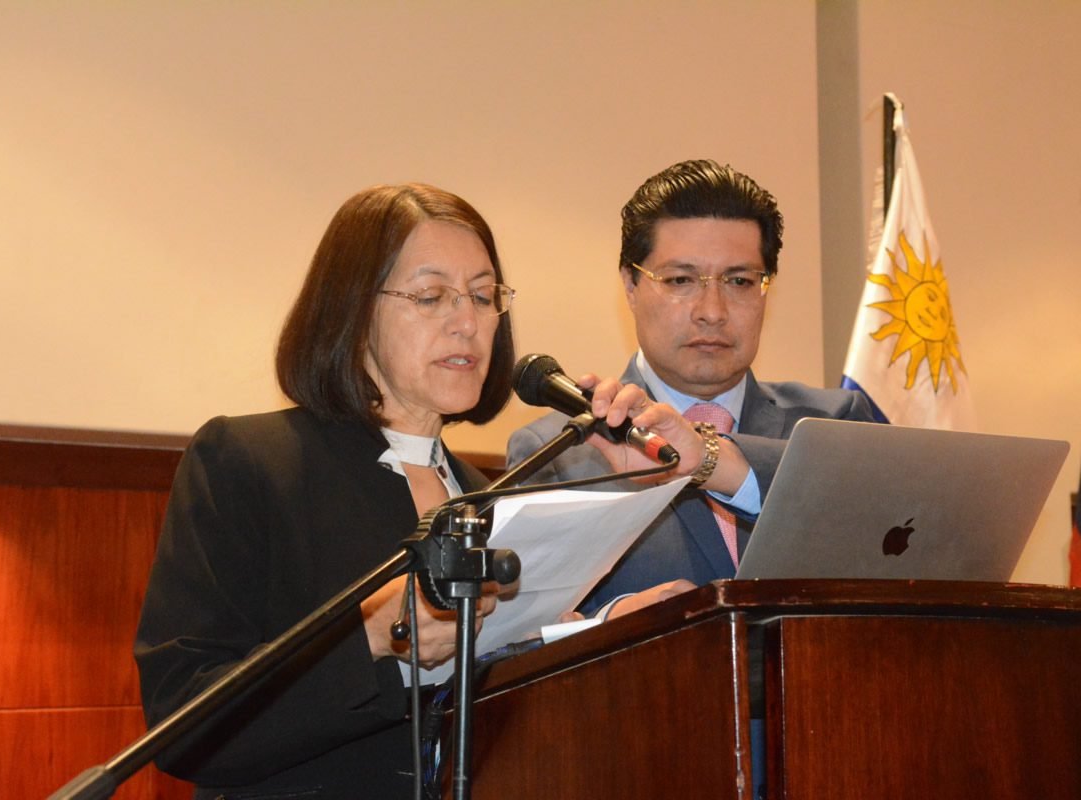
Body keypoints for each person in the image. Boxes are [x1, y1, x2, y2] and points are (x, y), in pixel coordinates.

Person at [133, 182, 707, 798]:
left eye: (483, 296)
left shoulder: (489, 497)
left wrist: (607, 631)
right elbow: (184, 723)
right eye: (431, 296)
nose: (468, 323)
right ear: (353, 312)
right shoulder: (251, 463)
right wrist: (373, 635)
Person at [508, 159, 876, 616]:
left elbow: (893, 557)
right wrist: (615, 619)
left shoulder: (834, 425)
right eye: (681, 280)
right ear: (630, 285)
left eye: (739, 281)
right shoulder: (560, 452)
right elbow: (528, 633)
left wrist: (713, 460)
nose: (712, 311)